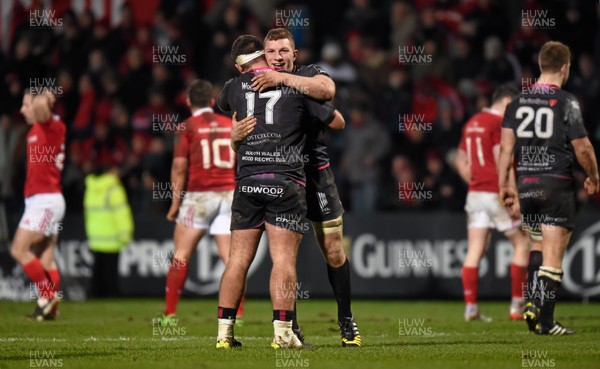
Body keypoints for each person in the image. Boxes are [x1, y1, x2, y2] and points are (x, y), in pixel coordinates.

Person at [233, 27, 361, 347]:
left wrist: (286, 82)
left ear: (295, 54)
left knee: (333, 249)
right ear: (264, 54)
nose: (278, 58)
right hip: (280, 178)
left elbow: (330, 97)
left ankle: (346, 321)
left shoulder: (306, 74)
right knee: (286, 255)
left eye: (284, 51)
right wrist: (234, 139)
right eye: (272, 52)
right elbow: (242, 137)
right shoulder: (254, 84)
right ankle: (289, 326)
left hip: (316, 175)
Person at [498, 41, 599, 335]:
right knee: (554, 258)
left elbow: (506, 150)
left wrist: (505, 185)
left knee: (538, 246)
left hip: (527, 186)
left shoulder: (516, 103)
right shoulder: (567, 101)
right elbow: (583, 147)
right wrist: (593, 175)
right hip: (556, 184)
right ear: (565, 68)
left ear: (542, 66)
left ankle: (545, 323)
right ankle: (533, 302)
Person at [160, 80, 244, 323]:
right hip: (229, 195)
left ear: (188, 102)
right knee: (233, 260)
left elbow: (178, 167)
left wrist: (175, 203)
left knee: (181, 255)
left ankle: (170, 313)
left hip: (199, 198)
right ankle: (237, 314)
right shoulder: (229, 124)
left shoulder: (185, 127)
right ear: (210, 102)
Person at [455, 85, 530, 322]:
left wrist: (475, 181)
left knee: (475, 250)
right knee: (523, 242)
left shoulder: (472, 122)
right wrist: (513, 196)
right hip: (496, 192)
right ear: (507, 101)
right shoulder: (498, 124)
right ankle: (517, 306)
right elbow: (502, 161)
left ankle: (471, 307)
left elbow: (460, 161)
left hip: (475, 194)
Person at [10, 89, 66, 320]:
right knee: (45, 256)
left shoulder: (49, 126)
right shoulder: (37, 129)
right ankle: (50, 308)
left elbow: (43, 107)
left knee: (19, 249)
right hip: (44, 200)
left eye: (26, 105)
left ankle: (47, 295)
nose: (22, 110)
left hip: (45, 202)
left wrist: (44, 96)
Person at [84, 166, 133, 298]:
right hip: (112, 237)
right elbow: (121, 213)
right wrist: (126, 234)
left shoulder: (91, 188)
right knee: (110, 273)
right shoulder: (114, 189)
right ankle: (111, 296)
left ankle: (94, 296)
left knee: (97, 271)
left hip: (96, 236)